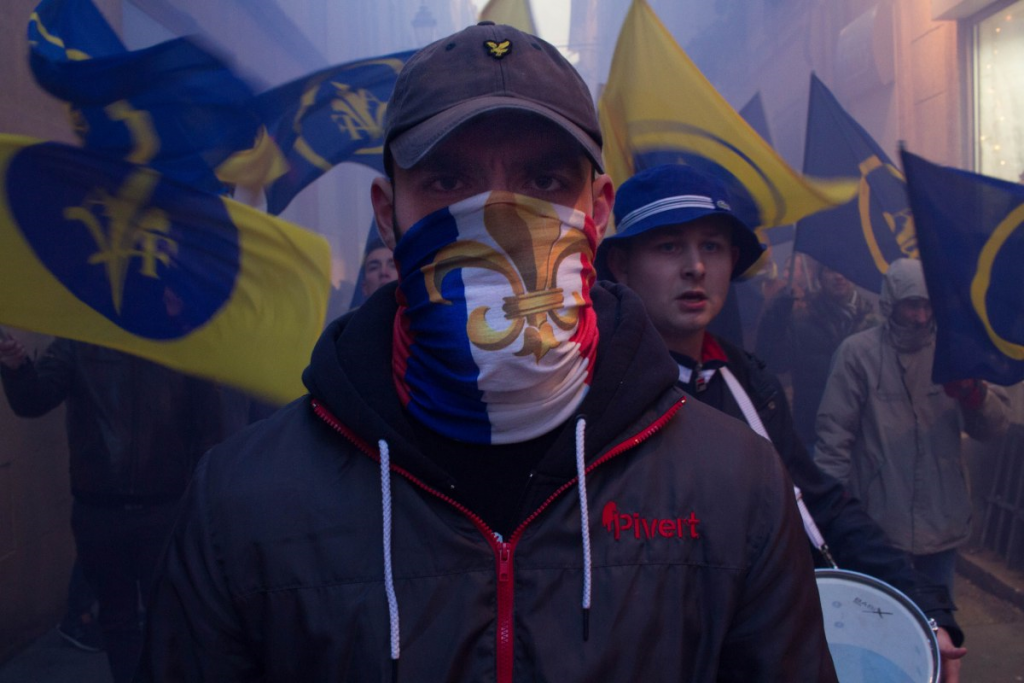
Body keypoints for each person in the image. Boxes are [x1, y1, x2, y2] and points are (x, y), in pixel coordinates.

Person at [136, 22, 837, 682]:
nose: (499, 214)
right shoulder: (242, 505)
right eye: (448, 182)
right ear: (388, 213)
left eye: (544, 181)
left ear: (597, 211)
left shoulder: (737, 484)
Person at [596, 164, 968, 681]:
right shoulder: (592, 397)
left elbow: (820, 506)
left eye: (712, 246)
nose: (695, 267)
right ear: (621, 265)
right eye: (668, 246)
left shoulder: (747, 383)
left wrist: (924, 609)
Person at [0, 335, 224, 683]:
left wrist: (199, 501)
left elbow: (209, 430)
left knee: (169, 618)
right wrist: (17, 368)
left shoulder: (180, 343)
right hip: (100, 511)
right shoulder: (79, 342)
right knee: (118, 620)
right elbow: (33, 401)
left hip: (162, 509)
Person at [815, 258, 1009, 594]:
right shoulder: (858, 355)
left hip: (942, 516)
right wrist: (833, 513)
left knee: (938, 618)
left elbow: (995, 427)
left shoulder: (955, 351)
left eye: (927, 306)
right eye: (912, 306)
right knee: (885, 615)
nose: (921, 316)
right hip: (880, 520)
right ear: (892, 303)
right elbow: (834, 438)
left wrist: (975, 396)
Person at [756, 260, 879, 450]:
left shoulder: (874, 323)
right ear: (819, 277)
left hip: (864, 433)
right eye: (830, 270)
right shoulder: (801, 320)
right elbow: (774, 363)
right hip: (815, 433)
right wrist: (775, 322)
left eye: (844, 269)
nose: (839, 276)